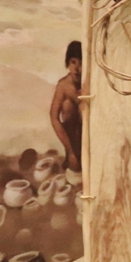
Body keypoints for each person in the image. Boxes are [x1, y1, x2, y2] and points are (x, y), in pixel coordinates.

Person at [50, 41, 82, 172]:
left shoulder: (91, 83)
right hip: (72, 137)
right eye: (73, 62)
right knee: (67, 105)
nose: (77, 68)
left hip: (89, 133)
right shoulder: (63, 86)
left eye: (81, 63)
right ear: (68, 62)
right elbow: (54, 117)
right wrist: (69, 149)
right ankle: (72, 154)